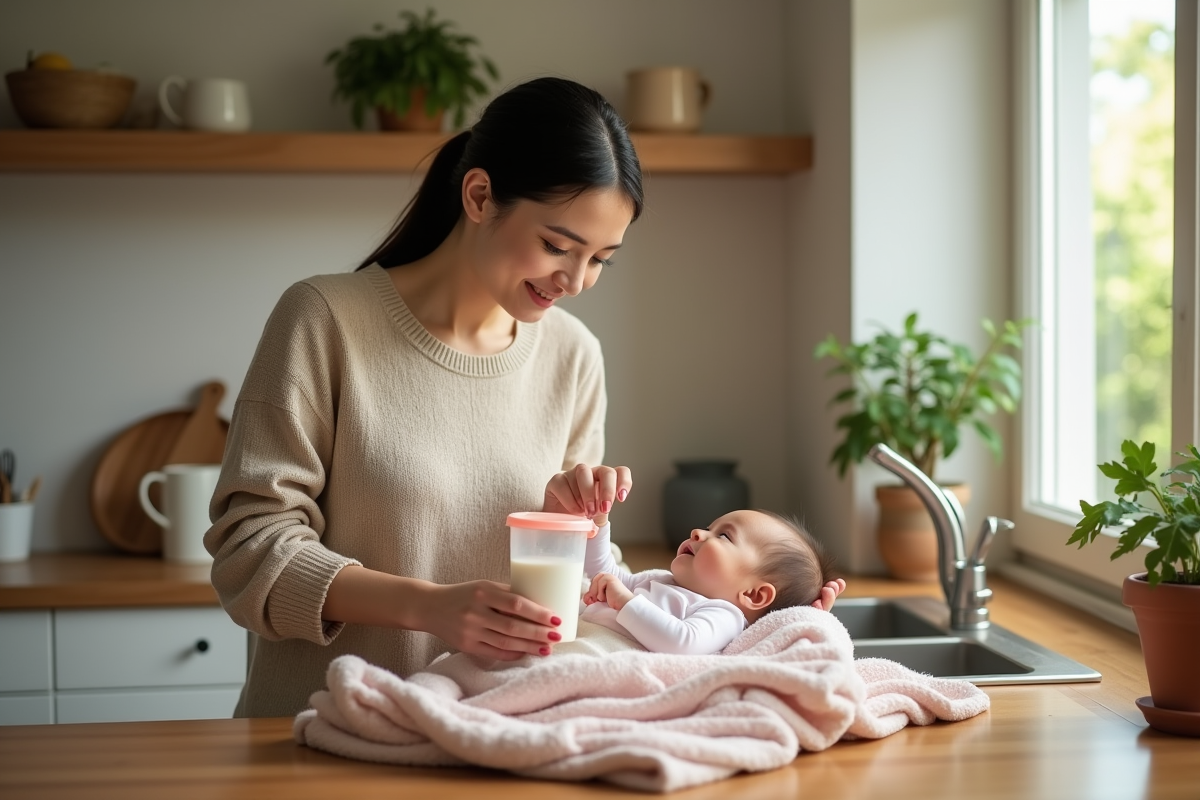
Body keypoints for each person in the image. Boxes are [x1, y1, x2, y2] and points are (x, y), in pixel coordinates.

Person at [205, 76, 644, 718]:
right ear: (479, 195)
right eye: (557, 246)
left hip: (490, 741)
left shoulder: (573, 355)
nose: (576, 281)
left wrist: (580, 528)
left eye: (602, 258)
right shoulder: (324, 318)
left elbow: (580, 594)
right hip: (321, 734)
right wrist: (429, 606)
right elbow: (250, 550)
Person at [545, 466, 845, 656]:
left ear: (754, 594)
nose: (698, 532)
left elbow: (683, 642)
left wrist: (625, 602)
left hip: (603, 657)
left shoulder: (723, 615)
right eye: (709, 527)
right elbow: (602, 573)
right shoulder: (662, 580)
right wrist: (599, 523)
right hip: (576, 644)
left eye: (723, 536)